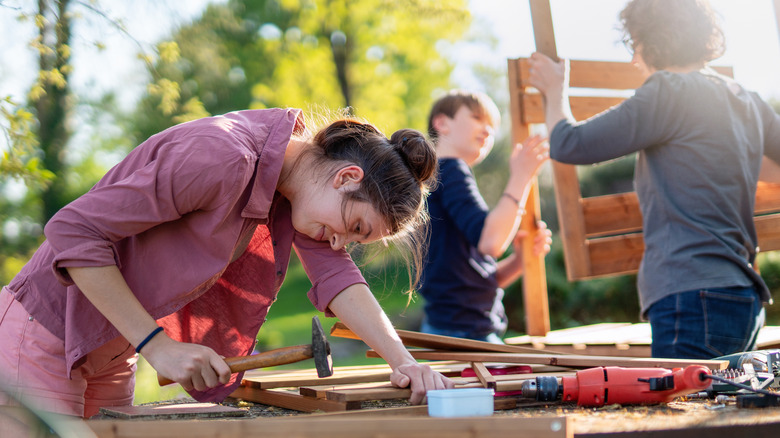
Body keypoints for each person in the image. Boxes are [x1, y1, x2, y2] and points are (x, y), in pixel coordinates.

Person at [0, 108, 454, 418]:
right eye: (354, 227)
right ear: (346, 177)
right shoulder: (221, 157)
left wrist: (404, 363)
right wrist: (158, 346)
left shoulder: (292, 192)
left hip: (112, 348)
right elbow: (73, 231)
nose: (341, 243)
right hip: (42, 334)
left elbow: (339, 278)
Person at [528, 0, 780, 359]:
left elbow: (569, 144)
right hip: (744, 296)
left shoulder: (668, 91)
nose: (635, 58)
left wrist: (556, 92)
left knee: (685, 413)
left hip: (693, 298)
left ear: (654, 39)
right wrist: (737, 156)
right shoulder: (746, 98)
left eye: (636, 44)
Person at [418, 90, 551, 343]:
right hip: (463, 335)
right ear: (442, 123)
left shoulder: (438, 180)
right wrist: (522, 176)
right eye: (478, 118)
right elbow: (490, 242)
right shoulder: (451, 169)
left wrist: (520, 261)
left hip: (451, 328)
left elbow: (475, 279)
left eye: (492, 126)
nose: (488, 130)